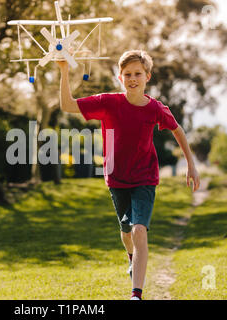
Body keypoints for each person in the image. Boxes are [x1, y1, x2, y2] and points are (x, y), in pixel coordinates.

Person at [56, 50, 200, 300]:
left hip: (145, 178)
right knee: (126, 232)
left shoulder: (155, 108)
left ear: (147, 77)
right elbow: (67, 105)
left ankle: (136, 294)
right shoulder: (108, 103)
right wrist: (64, 70)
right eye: (127, 74)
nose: (133, 78)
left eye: (137, 74)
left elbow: (177, 130)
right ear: (120, 78)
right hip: (116, 178)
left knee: (139, 229)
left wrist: (191, 163)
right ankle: (132, 257)